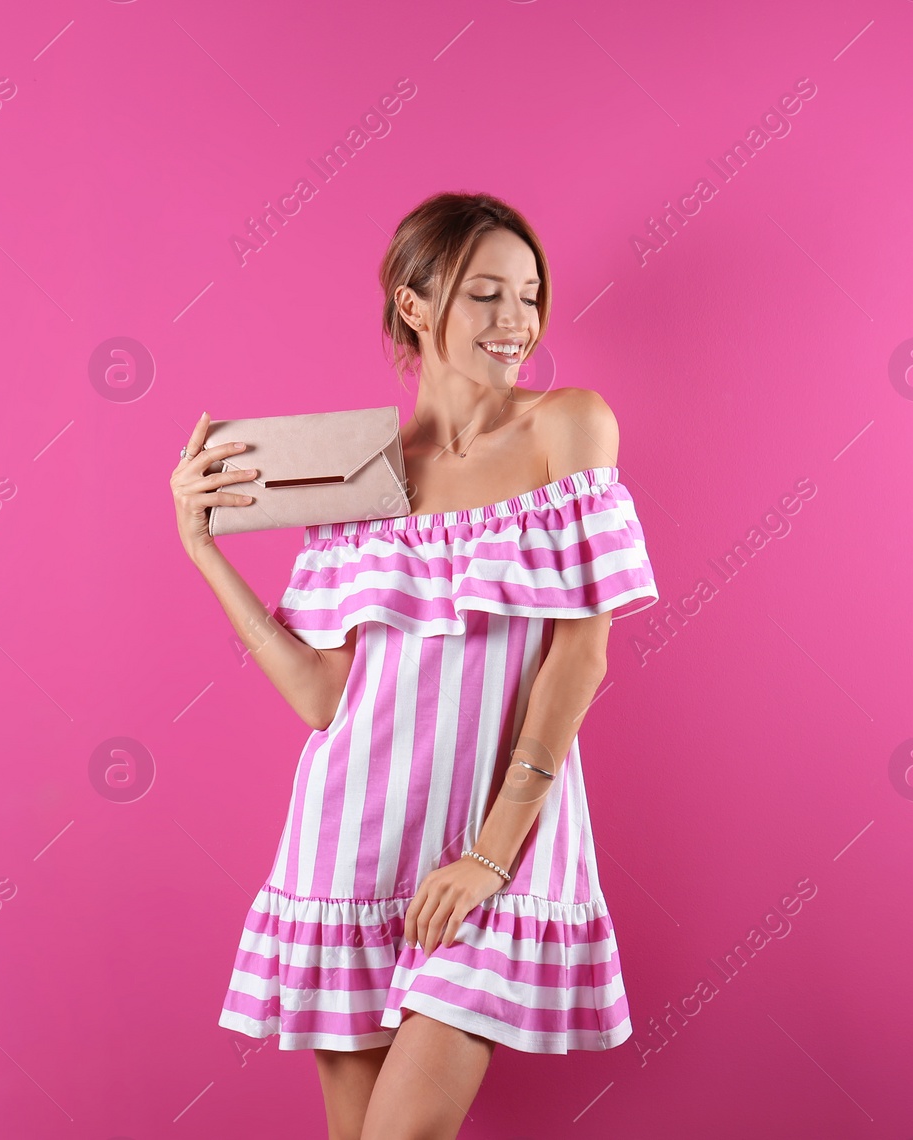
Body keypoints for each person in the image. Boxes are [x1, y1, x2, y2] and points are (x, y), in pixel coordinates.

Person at [170, 191, 661, 1140]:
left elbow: (581, 654)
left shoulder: (570, 425)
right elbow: (325, 697)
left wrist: (489, 855)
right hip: (351, 842)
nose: (517, 321)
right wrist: (207, 553)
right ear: (414, 306)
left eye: (529, 295)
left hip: (498, 843)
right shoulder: (364, 473)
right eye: (486, 295)